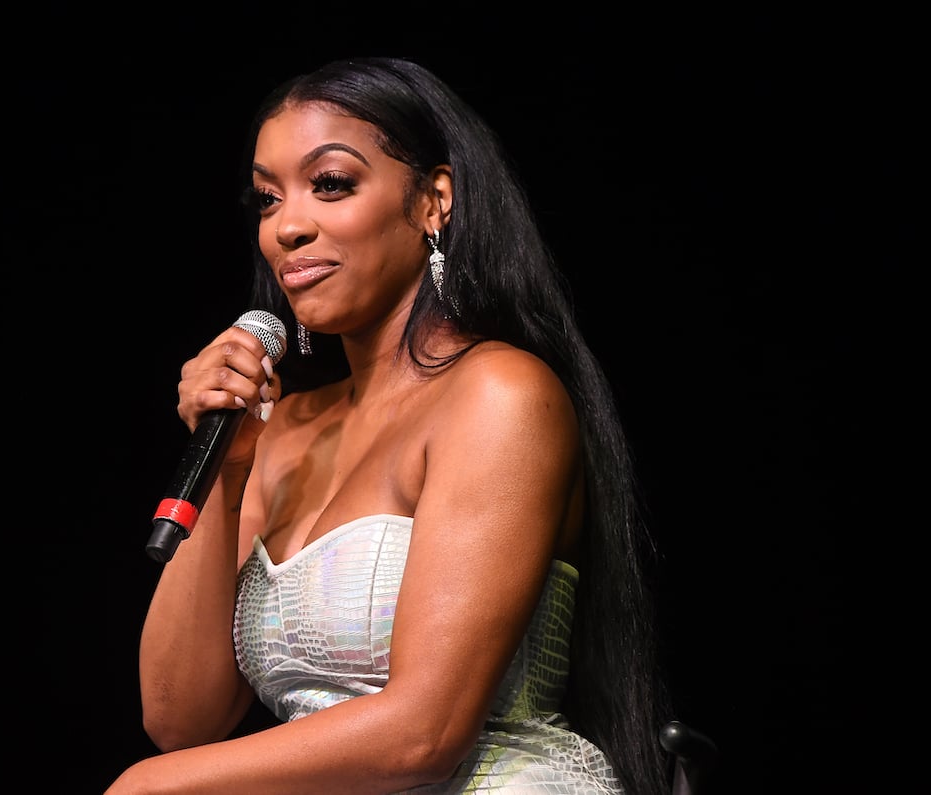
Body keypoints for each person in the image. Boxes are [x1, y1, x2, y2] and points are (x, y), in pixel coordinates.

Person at [105, 56, 673, 794]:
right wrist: (226, 469)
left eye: (330, 183)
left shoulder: (498, 396)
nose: (288, 228)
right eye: (267, 200)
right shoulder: (277, 431)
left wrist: (152, 784)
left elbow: (423, 735)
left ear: (434, 201)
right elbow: (181, 718)